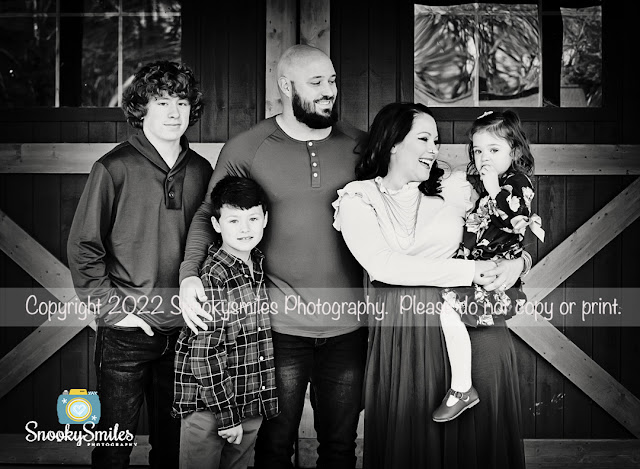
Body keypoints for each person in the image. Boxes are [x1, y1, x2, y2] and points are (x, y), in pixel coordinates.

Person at [178, 44, 367, 469]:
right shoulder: (248, 147)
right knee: (274, 446)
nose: (329, 90)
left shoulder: (359, 145)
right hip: (277, 329)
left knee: (340, 447)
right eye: (316, 82)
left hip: (349, 326)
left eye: (332, 80)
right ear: (285, 85)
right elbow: (210, 213)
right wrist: (190, 274)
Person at [332, 102, 528, 469]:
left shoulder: (455, 188)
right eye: (424, 139)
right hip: (406, 336)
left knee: (478, 445)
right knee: (414, 443)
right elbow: (383, 265)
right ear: (393, 142)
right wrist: (470, 271)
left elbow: (504, 229)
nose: (434, 149)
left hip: (473, 331)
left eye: (436, 141)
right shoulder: (358, 198)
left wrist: (520, 262)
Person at [67, 61, 213, 469]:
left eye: (181, 102)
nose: (174, 112)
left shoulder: (202, 171)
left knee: (173, 450)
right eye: (162, 102)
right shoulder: (114, 168)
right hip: (126, 332)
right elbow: (84, 247)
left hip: (184, 333)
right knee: (113, 449)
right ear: (141, 108)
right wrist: (115, 312)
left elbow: (212, 243)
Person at [433, 110, 545, 422]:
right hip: (476, 271)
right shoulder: (487, 186)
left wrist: (494, 189)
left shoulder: (517, 183)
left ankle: (461, 389)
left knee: (448, 311)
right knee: (448, 311)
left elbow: (514, 223)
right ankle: (461, 387)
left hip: (493, 276)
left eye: (494, 150)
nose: (484, 158)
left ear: (515, 151)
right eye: (478, 151)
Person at [173, 175, 278, 469]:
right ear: (217, 225)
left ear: (265, 219)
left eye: (253, 219)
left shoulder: (257, 265)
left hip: (249, 401)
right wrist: (227, 416)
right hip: (210, 409)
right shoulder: (214, 277)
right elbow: (204, 355)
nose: (245, 229)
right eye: (233, 221)